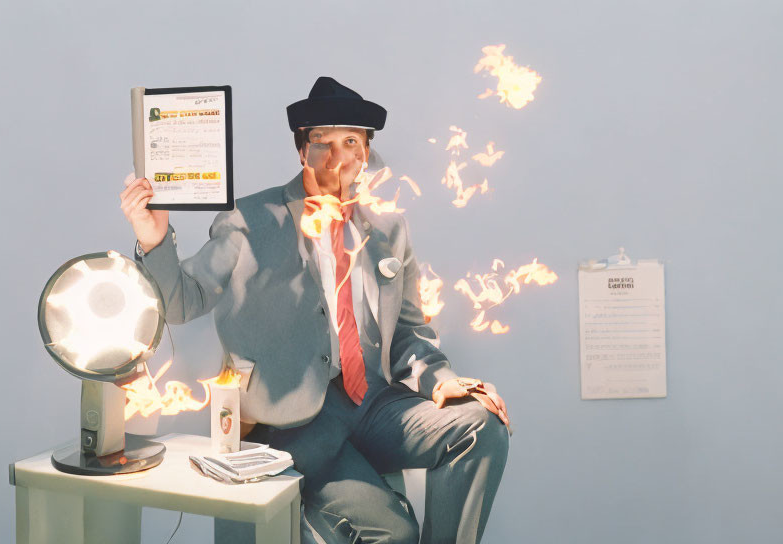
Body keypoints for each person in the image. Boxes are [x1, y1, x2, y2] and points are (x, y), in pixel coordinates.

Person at [119, 76, 510, 544]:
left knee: (482, 426)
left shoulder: (388, 227)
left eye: (351, 141)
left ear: (366, 152)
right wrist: (152, 236)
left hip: (374, 405)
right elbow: (183, 300)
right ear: (301, 150)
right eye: (322, 141)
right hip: (291, 420)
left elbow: (407, 331)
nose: (338, 155)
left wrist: (441, 379)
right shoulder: (249, 219)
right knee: (396, 533)